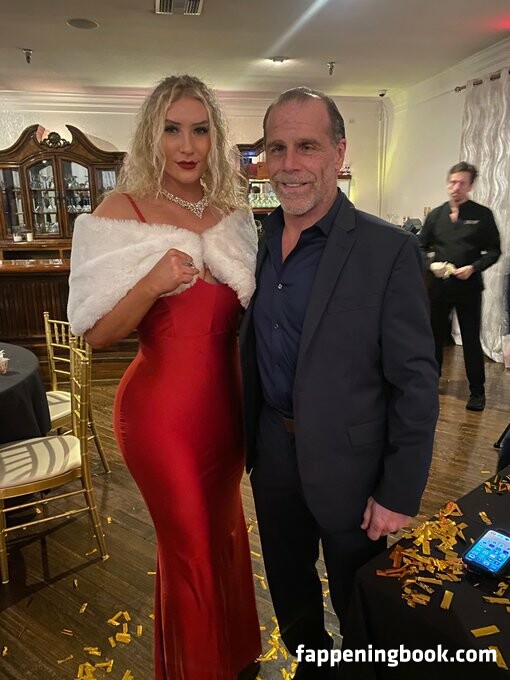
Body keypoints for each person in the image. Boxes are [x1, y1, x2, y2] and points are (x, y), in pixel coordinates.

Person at [239, 87, 439, 678]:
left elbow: (416, 381)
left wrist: (399, 491)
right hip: (273, 450)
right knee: (288, 582)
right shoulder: (257, 240)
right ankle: (314, 665)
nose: (289, 164)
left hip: (354, 465)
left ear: (339, 152)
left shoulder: (389, 250)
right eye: (277, 148)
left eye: (307, 146)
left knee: (360, 597)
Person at [67, 75, 261, 680]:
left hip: (227, 410)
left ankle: (234, 656)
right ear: (152, 135)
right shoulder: (119, 214)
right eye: (172, 129)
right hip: (160, 416)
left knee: (225, 531)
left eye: (200, 130)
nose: (187, 145)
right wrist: (152, 282)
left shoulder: (234, 217)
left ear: (214, 137)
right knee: (190, 547)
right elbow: (96, 333)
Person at [418, 162, 501, 411]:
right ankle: (430, 384)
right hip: (438, 289)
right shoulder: (436, 215)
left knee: (471, 340)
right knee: (433, 338)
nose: (456, 188)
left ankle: (477, 392)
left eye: (462, 183)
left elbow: (494, 251)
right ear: (448, 183)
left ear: (471, 186)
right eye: (453, 182)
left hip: (469, 288)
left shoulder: (482, 215)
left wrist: (473, 268)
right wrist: (431, 265)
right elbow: (419, 247)